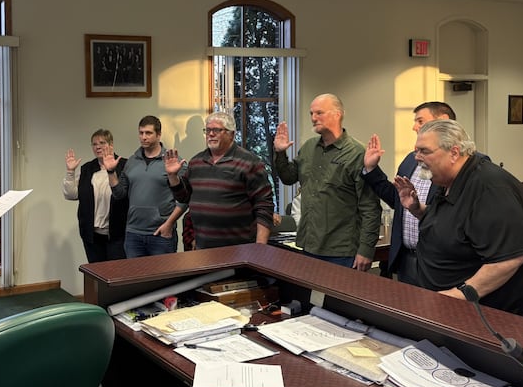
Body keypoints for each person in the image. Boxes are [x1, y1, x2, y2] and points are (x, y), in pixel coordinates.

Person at [394, 119, 523, 320]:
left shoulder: (490, 189)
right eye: (416, 151)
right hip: (452, 310)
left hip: (493, 319)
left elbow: (509, 258)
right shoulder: (447, 180)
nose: (417, 158)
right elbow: (456, 223)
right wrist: (417, 208)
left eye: (424, 151)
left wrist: (458, 295)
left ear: (454, 152)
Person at [273, 93, 381, 270]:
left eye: (319, 113)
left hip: (342, 251)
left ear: (337, 114)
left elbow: (370, 207)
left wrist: (366, 250)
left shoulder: (357, 153)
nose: (313, 118)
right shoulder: (308, 148)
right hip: (309, 245)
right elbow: (288, 178)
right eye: (311, 114)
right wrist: (280, 153)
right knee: (311, 298)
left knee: (338, 298)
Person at [361, 101, 456, 284]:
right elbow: (398, 200)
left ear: (443, 121)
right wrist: (372, 169)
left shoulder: (458, 166)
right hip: (406, 260)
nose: (414, 127)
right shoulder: (410, 161)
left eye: (420, 121)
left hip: (439, 262)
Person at [165, 112, 274, 248]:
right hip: (204, 248)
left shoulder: (249, 162)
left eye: (216, 130)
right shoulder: (196, 162)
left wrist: (260, 247)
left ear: (231, 134)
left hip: (240, 249)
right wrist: (173, 176)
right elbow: (183, 197)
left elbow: (264, 206)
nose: (210, 134)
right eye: (208, 130)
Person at [105, 115, 185, 258]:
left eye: (148, 133)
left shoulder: (173, 161)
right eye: (141, 133)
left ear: (159, 135)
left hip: (161, 234)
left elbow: (185, 199)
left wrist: (169, 224)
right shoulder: (131, 161)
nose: (144, 137)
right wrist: (111, 172)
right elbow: (119, 194)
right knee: (135, 279)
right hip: (133, 233)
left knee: (163, 279)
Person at [63, 129, 128, 263]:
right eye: (94, 144)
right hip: (92, 236)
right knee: (97, 275)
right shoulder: (87, 168)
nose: (97, 147)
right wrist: (70, 171)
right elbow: (72, 195)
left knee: (117, 274)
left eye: (102, 143)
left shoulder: (124, 165)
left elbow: (123, 195)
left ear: (111, 145)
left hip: (118, 234)